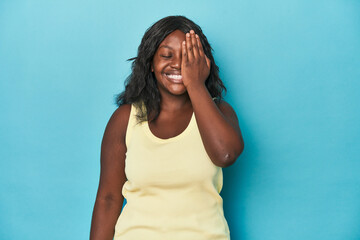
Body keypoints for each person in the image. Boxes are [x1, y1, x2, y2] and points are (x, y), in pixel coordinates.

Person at [90, 15, 244, 240]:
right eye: (166, 55)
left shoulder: (221, 112)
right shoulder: (125, 119)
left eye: (188, 57)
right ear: (151, 63)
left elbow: (226, 154)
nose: (177, 64)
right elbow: (108, 198)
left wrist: (195, 83)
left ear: (202, 63)